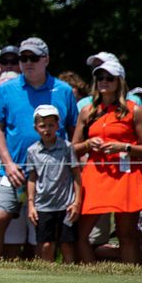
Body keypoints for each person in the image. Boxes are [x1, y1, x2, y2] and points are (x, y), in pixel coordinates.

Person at [0, 38, 77, 260]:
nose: (27, 62)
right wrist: (7, 163)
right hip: (12, 170)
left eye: (33, 58)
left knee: (45, 232)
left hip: (52, 174)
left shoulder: (63, 90)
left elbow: (74, 131)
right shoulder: (6, 89)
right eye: (23, 58)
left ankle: (44, 279)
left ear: (46, 60)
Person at [71, 58, 142, 265]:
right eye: (99, 77)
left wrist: (124, 147)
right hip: (95, 174)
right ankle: (90, 274)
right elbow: (72, 149)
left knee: (127, 234)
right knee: (82, 234)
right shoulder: (87, 111)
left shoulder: (135, 110)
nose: (103, 81)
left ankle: (129, 275)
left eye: (109, 78)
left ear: (119, 81)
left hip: (126, 175)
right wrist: (88, 144)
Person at [26, 105, 82, 263]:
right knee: (45, 244)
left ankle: (71, 274)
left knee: (67, 244)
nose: (47, 129)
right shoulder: (32, 151)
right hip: (43, 205)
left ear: (58, 126)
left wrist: (77, 202)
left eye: (51, 125)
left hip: (66, 204)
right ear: (36, 128)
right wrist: (31, 204)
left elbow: (77, 175)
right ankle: (47, 277)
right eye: (42, 126)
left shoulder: (67, 147)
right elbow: (32, 178)